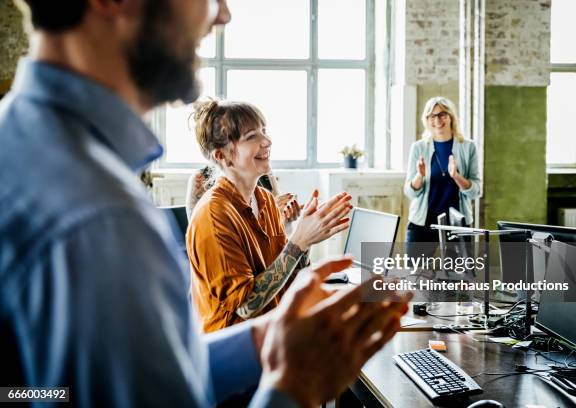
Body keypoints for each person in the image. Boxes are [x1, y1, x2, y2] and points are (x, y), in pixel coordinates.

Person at [0, 0, 411, 407]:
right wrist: (295, 382)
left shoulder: (31, 148)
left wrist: (266, 338)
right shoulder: (100, 214)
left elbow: (138, 380)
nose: (223, 14)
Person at [187, 100, 352, 332]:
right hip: (233, 352)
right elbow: (246, 305)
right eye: (251, 136)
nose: (267, 141)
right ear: (222, 156)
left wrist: (307, 237)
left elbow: (291, 278)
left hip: (271, 336)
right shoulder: (213, 215)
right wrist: (299, 241)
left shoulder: (265, 200)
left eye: (264, 131)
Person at [404, 96, 481, 258]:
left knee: (459, 278)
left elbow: (476, 192)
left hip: (457, 223)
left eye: (442, 115)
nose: (437, 120)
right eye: (432, 116)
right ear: (427, 120)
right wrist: (420, 175)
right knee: (416, 276)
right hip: (422, 222)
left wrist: (456, 176)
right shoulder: (418, 147)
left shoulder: (468, 147)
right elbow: (410, 192)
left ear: (451, 117)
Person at [186, 165, 300, 226]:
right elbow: (199, 228)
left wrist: (286, 217)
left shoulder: (265, 173)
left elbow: (278, 212)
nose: (266, 142)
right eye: (251, 135)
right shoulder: (201, 179)